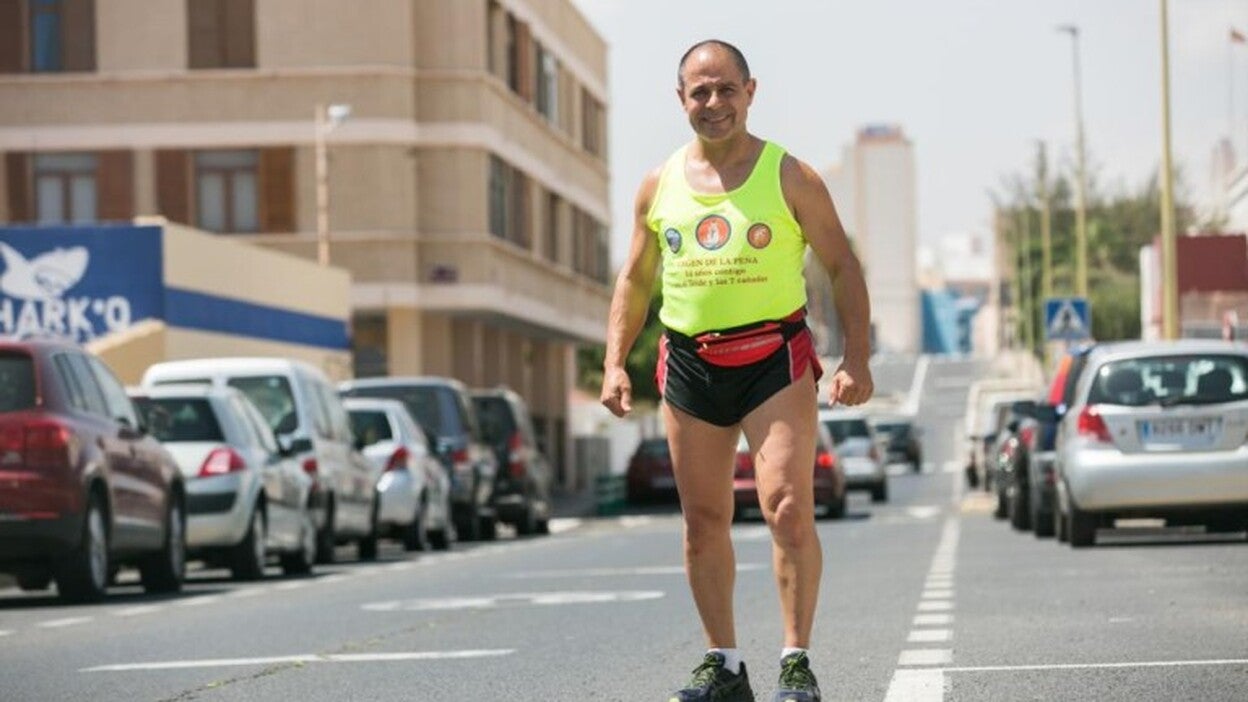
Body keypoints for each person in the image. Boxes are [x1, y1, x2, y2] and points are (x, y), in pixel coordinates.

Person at [600, 39, 873, 702]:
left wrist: (856, 357)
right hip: (691, 362)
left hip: (773, 360)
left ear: (750, 92)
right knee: (702, 519)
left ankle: (795, 662)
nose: (713, 103)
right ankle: (724, 664)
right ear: (681, 100)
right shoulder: (656, 185)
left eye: (726, 89)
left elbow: (841, 265)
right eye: (700, 92)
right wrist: (613, 361)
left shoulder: (790, 177)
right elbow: (636, 279)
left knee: (785, 508)